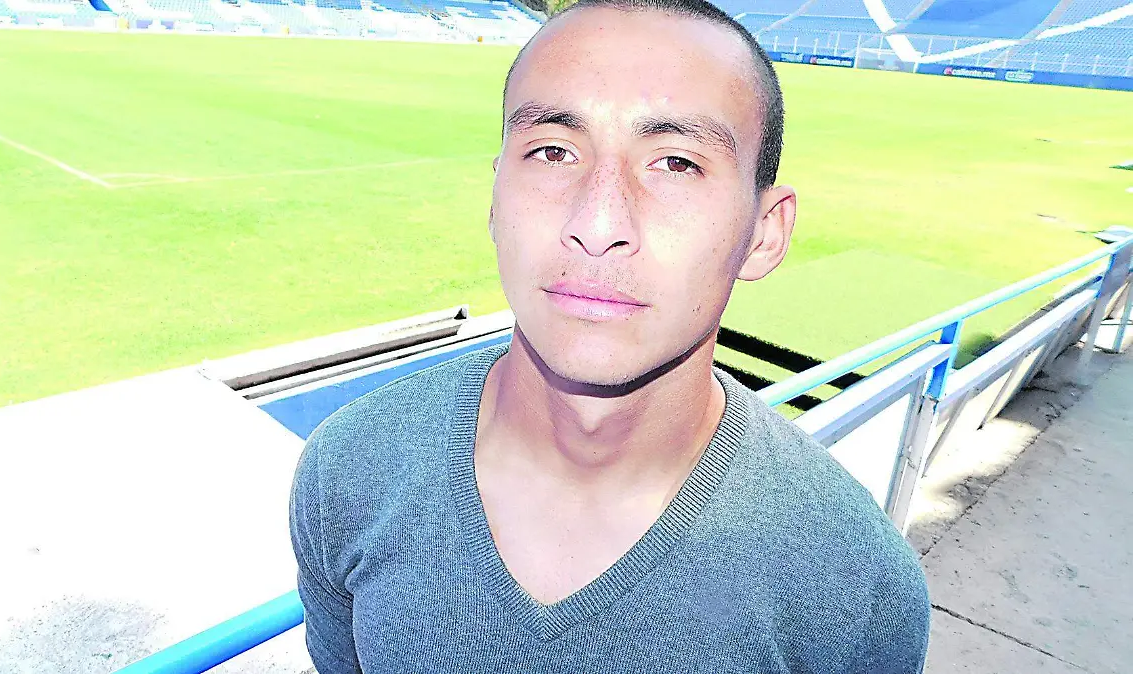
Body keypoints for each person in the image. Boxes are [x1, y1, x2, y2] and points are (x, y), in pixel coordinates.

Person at [289, 0, 931, 670]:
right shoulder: (348, 471)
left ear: (764, 234)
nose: (597, 225)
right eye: (553, 152)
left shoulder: (857, 590)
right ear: (494, 198)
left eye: (676, 163)